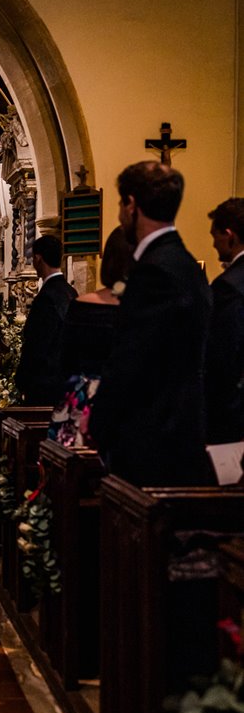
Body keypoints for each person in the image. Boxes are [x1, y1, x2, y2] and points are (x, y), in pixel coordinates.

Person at [89, 162, 212, 486]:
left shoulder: (155, 272)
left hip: (152, 440)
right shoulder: (184, 265)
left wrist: (99, 426)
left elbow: (133, 361)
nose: (119, 214)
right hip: (178, 432)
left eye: (119, 204)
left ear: (132, 204)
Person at [48, 227, 134, 449]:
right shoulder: (153, 308)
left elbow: (65, 359)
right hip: (135, 402)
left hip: (85, 401)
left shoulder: (84, 306)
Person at [14, 234, 77, 405]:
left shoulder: (46, 298)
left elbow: (38, 344)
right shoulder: (71, 292)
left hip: (45, 385)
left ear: (38, 259)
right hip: (67, 381)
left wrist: (21, 380)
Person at [205, 198, 244, 444]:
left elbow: (222, 356)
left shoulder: (229, 286)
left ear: (229, 235)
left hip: (234, 411)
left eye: (215, 235)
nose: (213, 243)